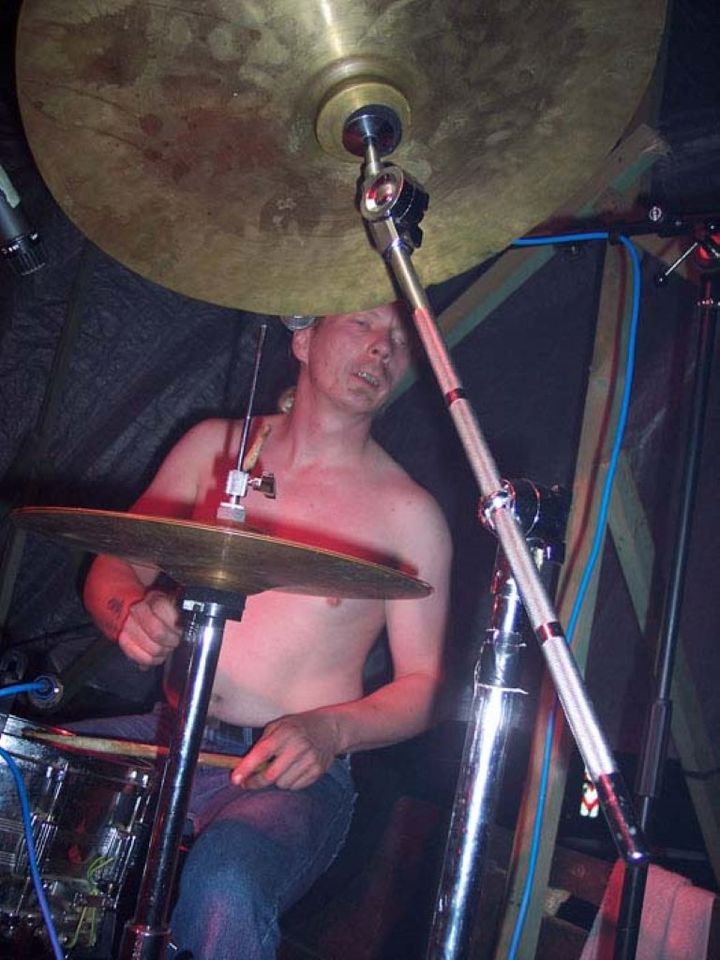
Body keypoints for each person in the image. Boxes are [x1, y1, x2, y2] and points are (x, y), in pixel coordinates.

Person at [82, 301, 452, 959]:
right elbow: (114, 566)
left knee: (226, 880)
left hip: (292, 774)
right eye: (363, 324)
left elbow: (425, 687)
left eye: (401, 338)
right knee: (14, 777)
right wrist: (128, 612)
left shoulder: (409, 515)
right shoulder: (215, 449)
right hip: (168, 734)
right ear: (303, 338)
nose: (383, 347)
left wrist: (331, 730)